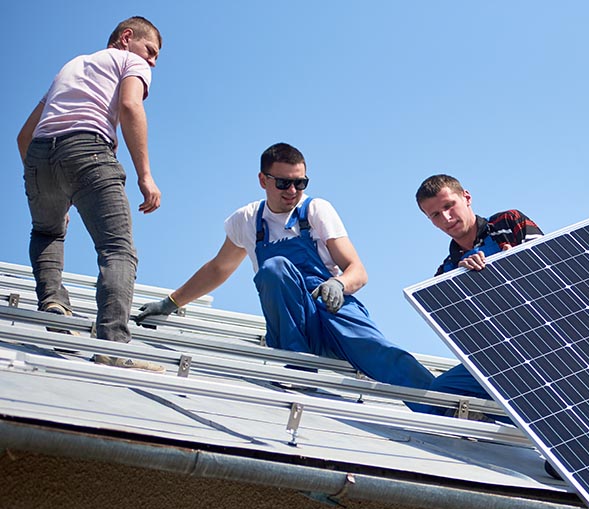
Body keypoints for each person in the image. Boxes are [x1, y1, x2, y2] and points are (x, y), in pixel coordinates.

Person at [133, 143, 435, 396]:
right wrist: (171, 303)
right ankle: (298, 369)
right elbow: (218, 268)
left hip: (331, 309)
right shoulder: (247, 221)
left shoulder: (315, 210)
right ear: (263, 180)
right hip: (293, 325)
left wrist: (339, 284)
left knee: (384, 355)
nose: (293, 190)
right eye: (284, 183)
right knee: (274, 268)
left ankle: (446, 405)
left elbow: (357, 270)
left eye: (300, 183)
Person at [18, 16, 165, 372]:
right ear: (127, 38)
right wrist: (146, 175)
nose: (152, 62)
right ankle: (112, 345)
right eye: (151, 51)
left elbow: (24, 135)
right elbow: (130, 107)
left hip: (40, 154)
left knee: (47, 232)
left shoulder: (69, 68)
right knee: (117, 249)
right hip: (90, 148)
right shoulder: (129, 61)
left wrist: (47, 182)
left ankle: (54, 305)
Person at [413, 174, 542, 416]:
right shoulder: (446, 273)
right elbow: (465, 333)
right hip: (498, 357)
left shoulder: (509, 223)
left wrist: (505, 264)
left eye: (449, 206)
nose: (447, 218)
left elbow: (548, 273)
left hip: (545, 338)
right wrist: (467, 283)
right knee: (439, 395)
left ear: (466, 197)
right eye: (436, 215)